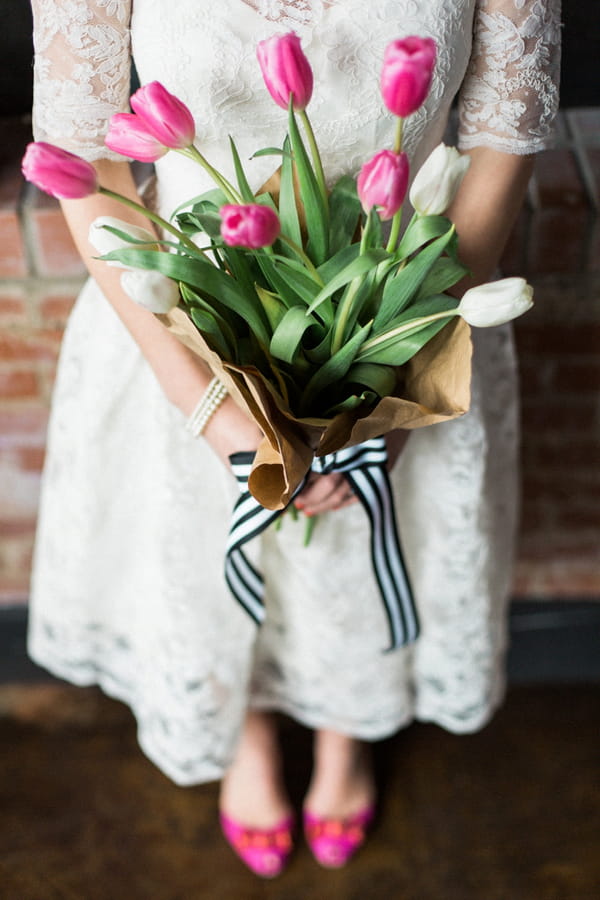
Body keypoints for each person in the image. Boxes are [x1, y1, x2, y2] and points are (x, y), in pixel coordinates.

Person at [28, 0, 561, 878]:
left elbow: (505, 135)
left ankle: (348, 733)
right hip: (185, 320)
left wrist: (395, 390)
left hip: (412, 311)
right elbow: (86, 157)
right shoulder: (186, 368)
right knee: (207, 555)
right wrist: (205, 402)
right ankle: (249, 735)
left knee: (359, 547)